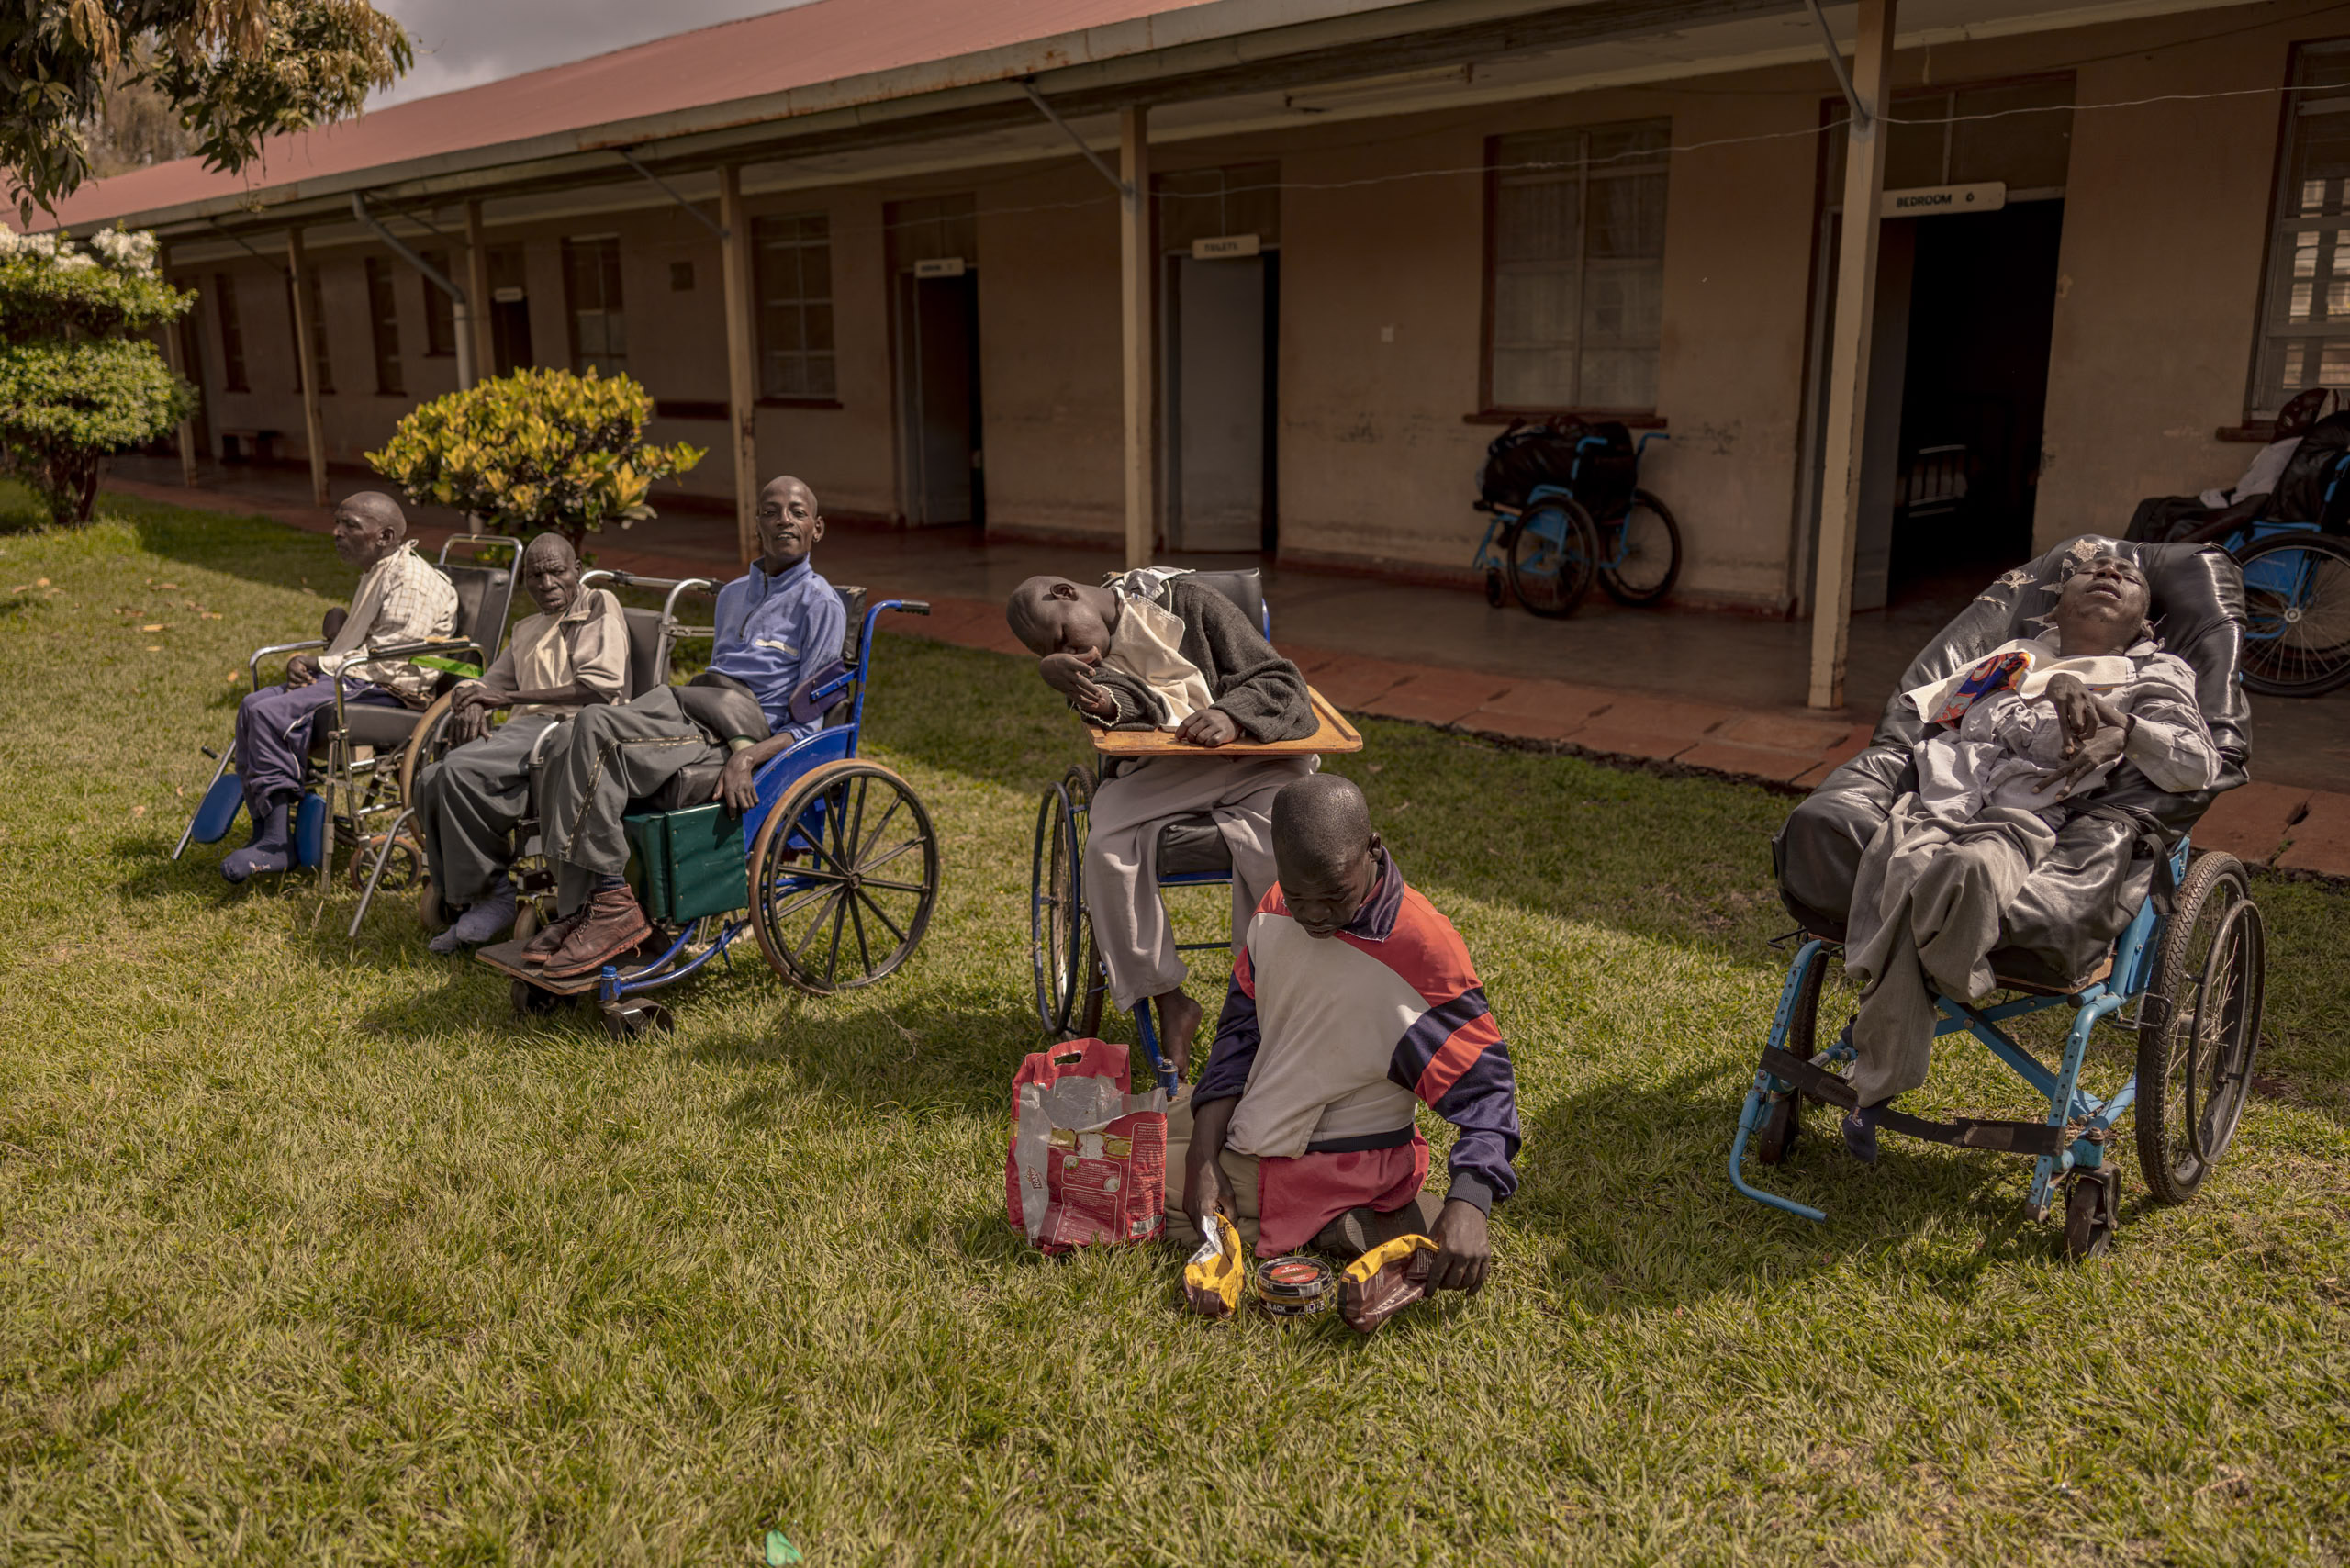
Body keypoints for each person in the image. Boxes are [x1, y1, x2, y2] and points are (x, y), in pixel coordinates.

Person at [1840, 552, 2221, 1160]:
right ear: (2057, 600)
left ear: (2144, 621)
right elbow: (1928, 717)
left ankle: (1889, 1051)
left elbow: (2197, 764)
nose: (2111, 573)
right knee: (1911, 866)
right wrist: (2044, 682)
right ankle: (1941, 991)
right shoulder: (2011, 654)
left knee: (1965, 872)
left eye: (2129, 576)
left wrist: (2123, 726)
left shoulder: (2152, 669)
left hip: (2022, 818)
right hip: (1936, 805)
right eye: (2094, 567)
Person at [1180, 774, 1519, 1294]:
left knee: (1125, 1175)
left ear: (1372, 849)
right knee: (1144, 1126)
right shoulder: (1275, 904)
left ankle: (1349, 1215)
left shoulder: (1422, 948)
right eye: (1299, 895)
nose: (1314, 915)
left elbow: (1487, 1091)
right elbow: (1238, 1036)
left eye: (1335, 895)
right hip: (1264, 1117)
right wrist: (1203, 1156)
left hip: (1336, 1160)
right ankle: (1335, 1226)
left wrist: (1470, 1202)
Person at [516, 476, 846, 979]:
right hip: (695, 704)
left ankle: (610, 902)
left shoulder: (820, 604)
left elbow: (812, 724)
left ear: (816, 528)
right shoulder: (733, 595)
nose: (785, 520)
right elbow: (714, 681)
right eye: (772, 511)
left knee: (594, 725)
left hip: (746, 726)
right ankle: (585, 909)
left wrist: (746, 756)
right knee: (565, 739)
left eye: (798, 513)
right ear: (756, 524)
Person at [1005, 567, 1318, 1063]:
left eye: (1063, 638)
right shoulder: (1085, 659)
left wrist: (1230, 714)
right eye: (1052, 653)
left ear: (1067, 593)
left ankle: (1272, 996)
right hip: (1168, 773)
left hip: (1257, 762)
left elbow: (1281, 682)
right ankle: (1170, 1001)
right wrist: (1092, 692)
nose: (1067, 652)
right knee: (1105, 849)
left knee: (1287, 844)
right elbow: (1134, 706)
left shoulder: (1192, 603)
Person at [220, 491, 457, 882]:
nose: (336, 532)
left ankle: (278, 843)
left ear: (384, 536)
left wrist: (318, 661)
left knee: (270, 711)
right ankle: (267, 833)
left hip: (391, 691)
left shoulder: (413, 581)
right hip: (359, 677)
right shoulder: (381, 570)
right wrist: (334, 646)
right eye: (338, 522)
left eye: (350, 526)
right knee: (252, 704)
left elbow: (391, 660)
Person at [412, 532, 628, 953]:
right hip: (522, 730)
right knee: (432, 777)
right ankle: (463, 894)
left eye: (557, 572)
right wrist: (470, 697)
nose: (546, 583)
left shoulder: (597, 606)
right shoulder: (527, 628)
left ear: (577, 571)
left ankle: (494, 894)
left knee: (460, 769)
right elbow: (491, 681)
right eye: (535, 575)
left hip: (569, 730)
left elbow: (597, 690)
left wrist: (505, 698)